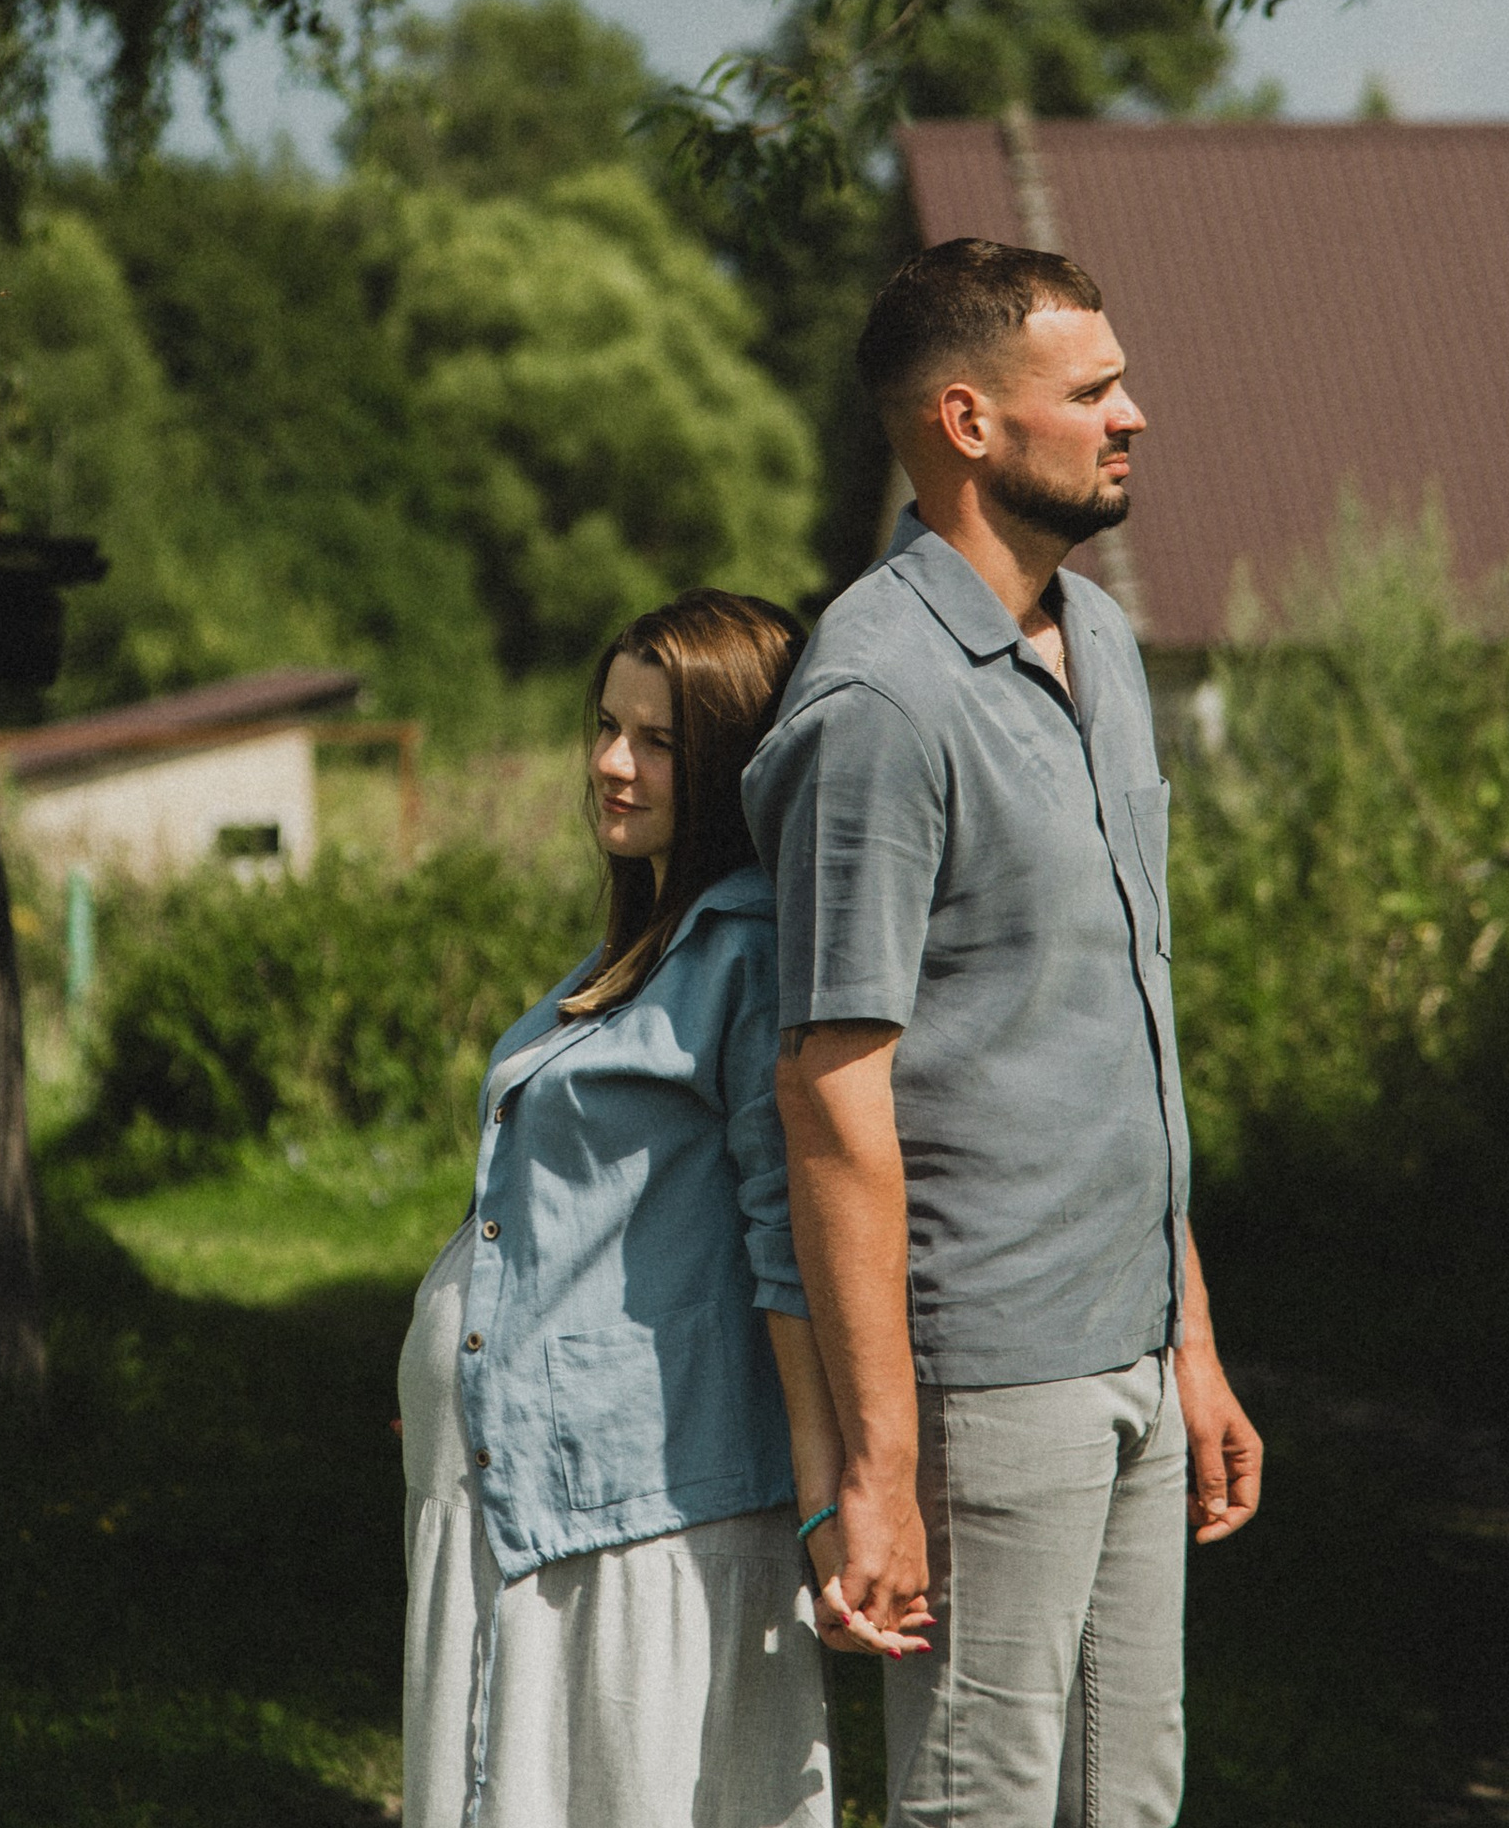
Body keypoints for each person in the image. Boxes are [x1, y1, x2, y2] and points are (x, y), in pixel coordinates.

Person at [743, 238, 1263, 1828]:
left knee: (1131, 1799)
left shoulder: (1096, 640)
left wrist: (1188, 1335)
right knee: (983, 1803)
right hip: (985, 1379)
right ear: (969, 423)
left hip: (1124, 1341)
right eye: (1093, 390)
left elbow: (1114, 1026)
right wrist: (879, 1473)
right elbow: (832, 1098)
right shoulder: (878, 704)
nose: (1135, 416)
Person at [398, 589, 923, 1828]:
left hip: (638, 1501)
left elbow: (782, 1228)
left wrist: (824, 1492)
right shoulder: (643, 949)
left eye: (656, 739)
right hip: (516, 1486)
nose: (609, 762)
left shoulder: (743, 954)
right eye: (604, 724)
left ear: (735, 761)